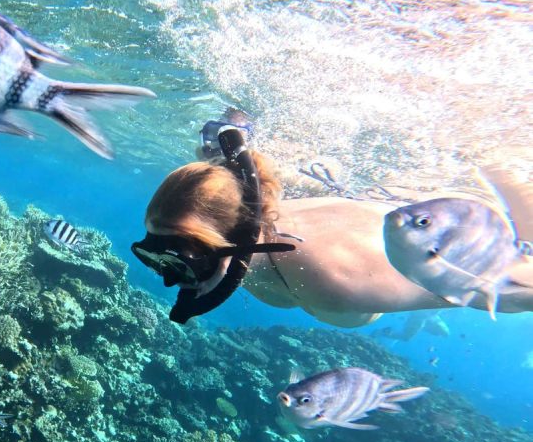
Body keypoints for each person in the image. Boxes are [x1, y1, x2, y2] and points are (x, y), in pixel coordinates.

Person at [132, 114, 533, 326]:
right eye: (153, 256)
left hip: (459, 222)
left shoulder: (334, 277)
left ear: (238, 234)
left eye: (182, 257)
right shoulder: (240, 225)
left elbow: (494, 290)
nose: (168, 277)